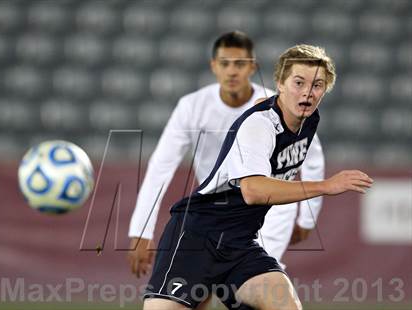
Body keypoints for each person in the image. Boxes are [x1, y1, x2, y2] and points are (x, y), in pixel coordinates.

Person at [142, 44, 373, 310]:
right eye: (299, 82)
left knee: (287, 306)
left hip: (240, 243)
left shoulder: (307, 118)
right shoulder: (259, 125)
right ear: (280, 83)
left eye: (318, 85)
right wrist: (326, 185)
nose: (308, 92)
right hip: (196, 236)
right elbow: (253, 191)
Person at [128, 31, 324, 284]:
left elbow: (311, 155)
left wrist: (307, 217)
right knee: (200, 290)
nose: (232, 71)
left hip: (271, 207)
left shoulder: (283, 102)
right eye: (225, 63)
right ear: (214, 66)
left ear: (252, 66)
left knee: (255, 287)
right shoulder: (192, 107)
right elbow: (160, 167)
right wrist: (141, 229)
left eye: (240, 64)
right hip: (215, 210)